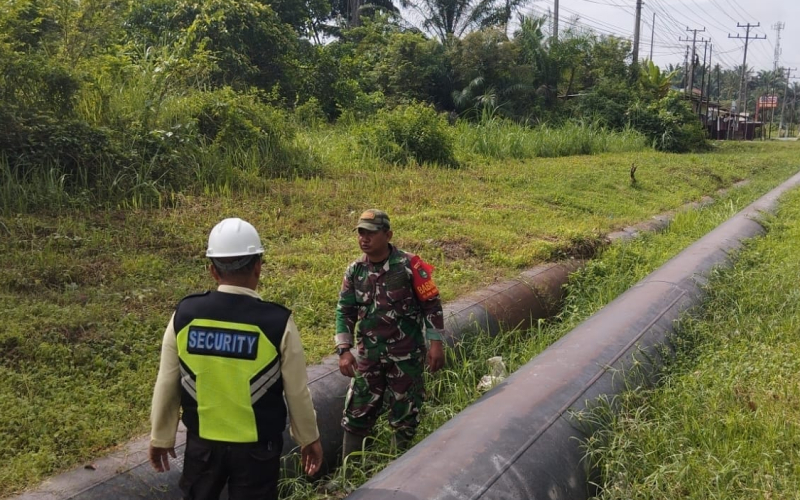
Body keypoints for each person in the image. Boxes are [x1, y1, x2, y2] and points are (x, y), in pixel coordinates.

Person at [148, 217, 323, 500]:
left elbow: (168, 381)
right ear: (258, 267)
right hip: (257, 451)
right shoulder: (278, 322)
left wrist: (161, 437)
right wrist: (308, 439)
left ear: (212, 270)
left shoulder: (184, 316)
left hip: (202, 446)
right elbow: (297, 392)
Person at [334, 209, 445, 460]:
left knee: (405, 415)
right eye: (361, 232)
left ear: (388, 235)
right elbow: (345, 311)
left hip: (405, 357)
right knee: (357, 412)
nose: (364, 238)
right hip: (368, 358)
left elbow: (432, 304)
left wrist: (435, 343)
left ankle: (396, 468)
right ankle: (349, 473)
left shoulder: (409, 265)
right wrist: (343, 350)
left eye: (371, 233)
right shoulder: (354, 271)